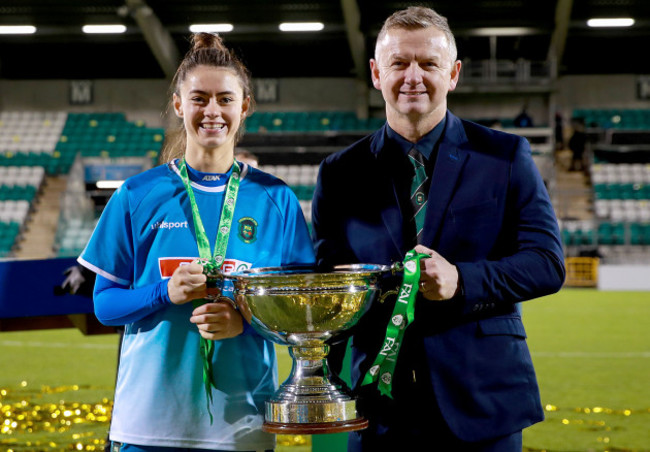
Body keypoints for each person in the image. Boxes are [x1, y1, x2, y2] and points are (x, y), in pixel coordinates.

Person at [311, 6, 565, 452]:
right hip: (377, 408)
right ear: (375, 72)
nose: (413, 76)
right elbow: (328, 285)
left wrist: (461, 279)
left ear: (453, 74)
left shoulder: (505, 156)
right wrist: (322, 383)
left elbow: (546, 264)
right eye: (399, 63)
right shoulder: (339, 172)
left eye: (428, 64)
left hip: (483, 402)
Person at [78, 32, 314, 452]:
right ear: (178, 105)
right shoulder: (136, 194)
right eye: (199, 98)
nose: (212, 111)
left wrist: (247, 321)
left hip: (242, 427)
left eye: (225, 99)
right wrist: (163, 292)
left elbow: (299, 320)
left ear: (243, 107)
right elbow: (105, 305)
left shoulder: (277, 200)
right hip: (147, 426)